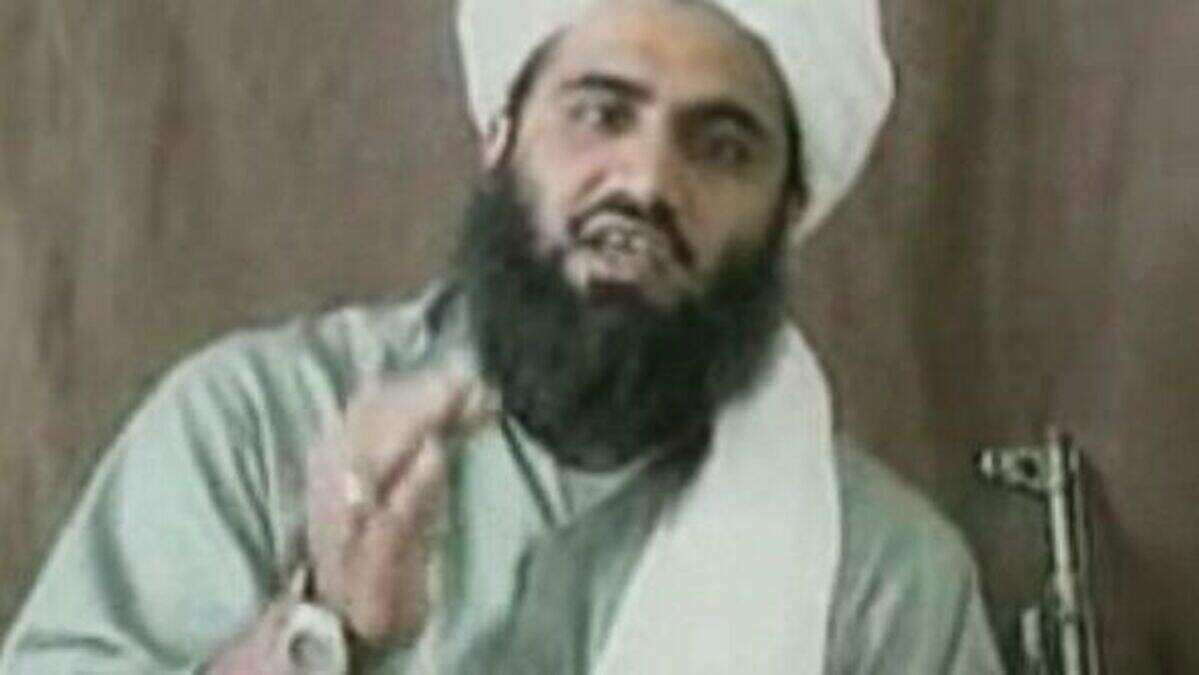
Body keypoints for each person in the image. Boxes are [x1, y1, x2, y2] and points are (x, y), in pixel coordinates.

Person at [0, 0, 1005, 672]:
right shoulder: (258, 427)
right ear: (500, 133)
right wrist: (325, 633)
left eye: (720, 146)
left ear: (786, 211)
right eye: (600, 113)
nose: (645, 180)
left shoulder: (883, 581)